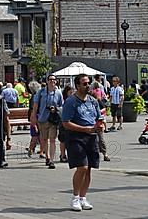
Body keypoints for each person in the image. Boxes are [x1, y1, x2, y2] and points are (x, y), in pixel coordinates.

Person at [62, 73, 102, 211]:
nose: (87, 86)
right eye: (84, 83)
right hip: (76, 137)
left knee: (89, 169)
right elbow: (66, 123)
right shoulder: (71, 102)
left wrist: (100, 125)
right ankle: (75, 197)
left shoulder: (93, 101)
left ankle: (83, 198)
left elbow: (99, 118)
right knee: (82, 167)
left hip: (91, 137)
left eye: (88, 83)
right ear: (77, 85)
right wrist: (84, 129)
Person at [31, 75, 64, 169]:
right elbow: (36, 105)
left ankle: (51, 161)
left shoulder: (58, 93)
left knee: (53, 139)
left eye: (54, 80)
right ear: (47, 81)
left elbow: (62, 105)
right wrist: (33, 116)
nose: (52, 81)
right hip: (42, 119)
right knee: (44, 139)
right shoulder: (41, 92)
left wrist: (56, 109)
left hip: (53, 119)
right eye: (50, 80)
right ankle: (47, 157)